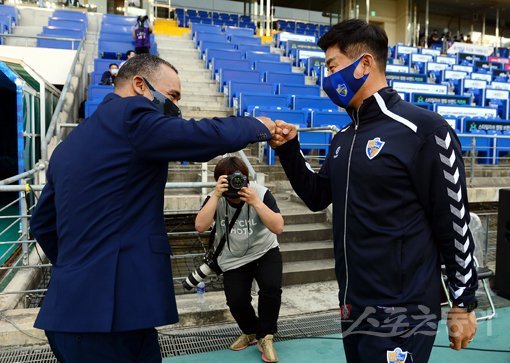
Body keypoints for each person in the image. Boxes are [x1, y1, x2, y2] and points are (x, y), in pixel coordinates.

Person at [30, 54, 284, 363]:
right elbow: (196, 137)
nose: (175, 106)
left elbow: (42, 224)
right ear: (140, 85)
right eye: (173, 96)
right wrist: (258, 126)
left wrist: (81, 267)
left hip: (71, 312)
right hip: (112, 318)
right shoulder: (131, 114)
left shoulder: (68, 146)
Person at [271, 19, 478, 363]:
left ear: (364, 63)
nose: (327, 78)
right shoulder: (344, 139)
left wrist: (464, 301)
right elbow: (316, 196)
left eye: (332, 66)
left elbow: (453, 219)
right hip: (353, 304)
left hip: (404, 310)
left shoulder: (424, 130)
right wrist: (290, 150)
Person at [195, 157, 284, 363]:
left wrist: (255, 202)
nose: (235, 192)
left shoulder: (260, 193)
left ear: (245, 178)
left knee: (271, 288)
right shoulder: (215, 197)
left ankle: (266, 335)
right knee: (236, 300)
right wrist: (217, 194)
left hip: (264, 249)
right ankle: (252, 331)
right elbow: (200, 226)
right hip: (233, 255)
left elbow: (278, 227)